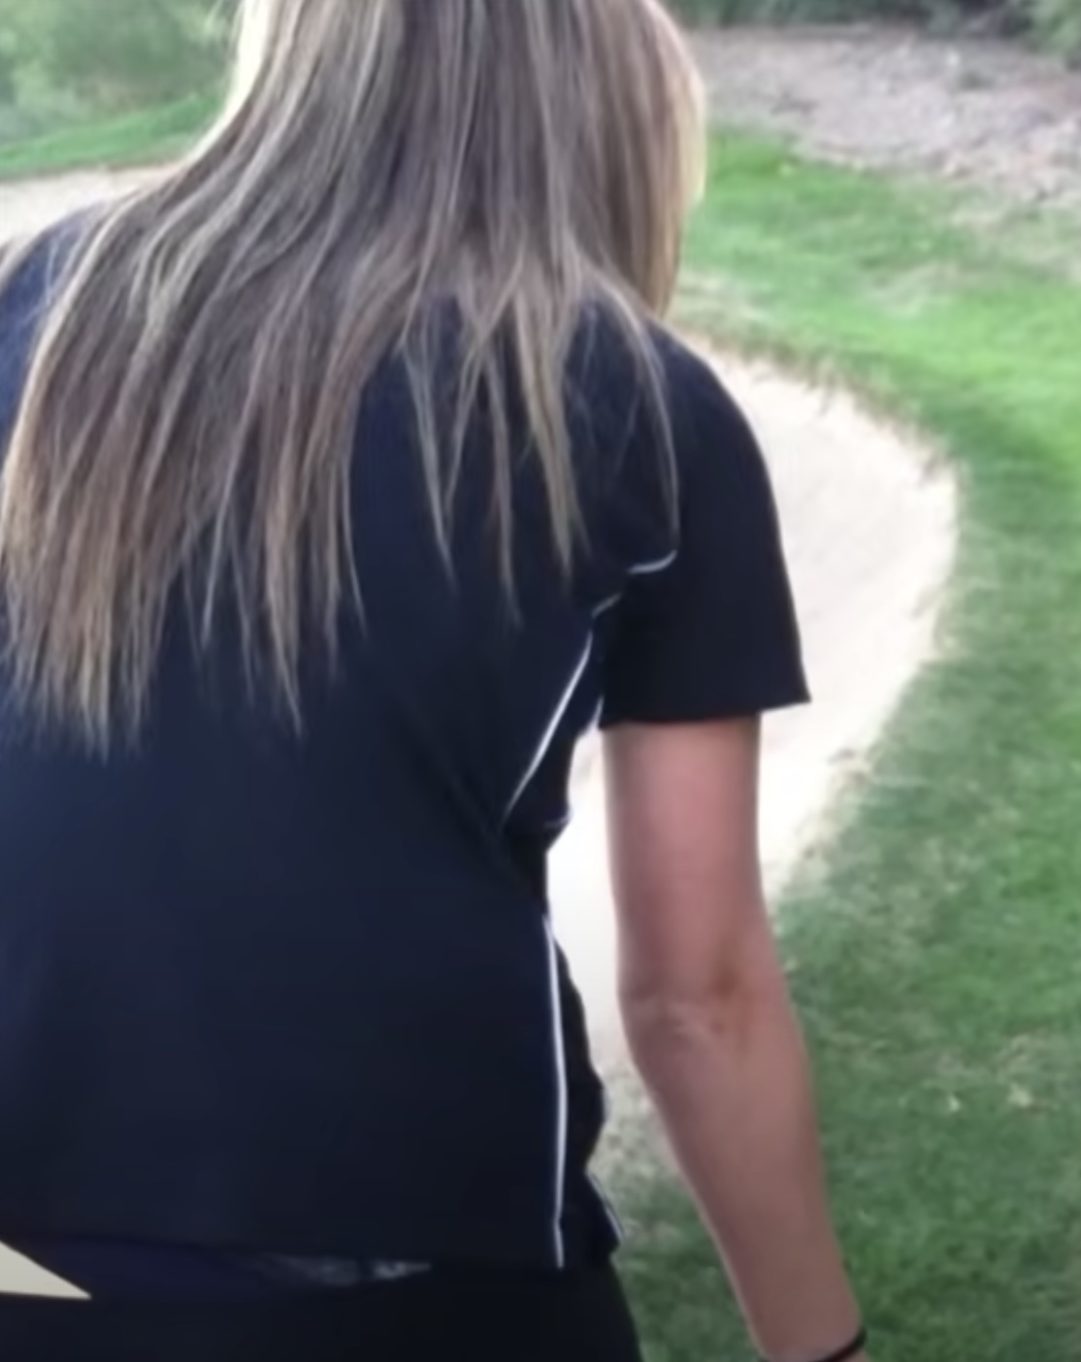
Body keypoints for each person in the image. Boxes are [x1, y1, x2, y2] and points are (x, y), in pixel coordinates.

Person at [0, 3, 870, 1359]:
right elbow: (697, 999)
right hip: (425, 1278)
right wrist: (824, 1349)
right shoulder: (638, 403)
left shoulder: (41, 306)